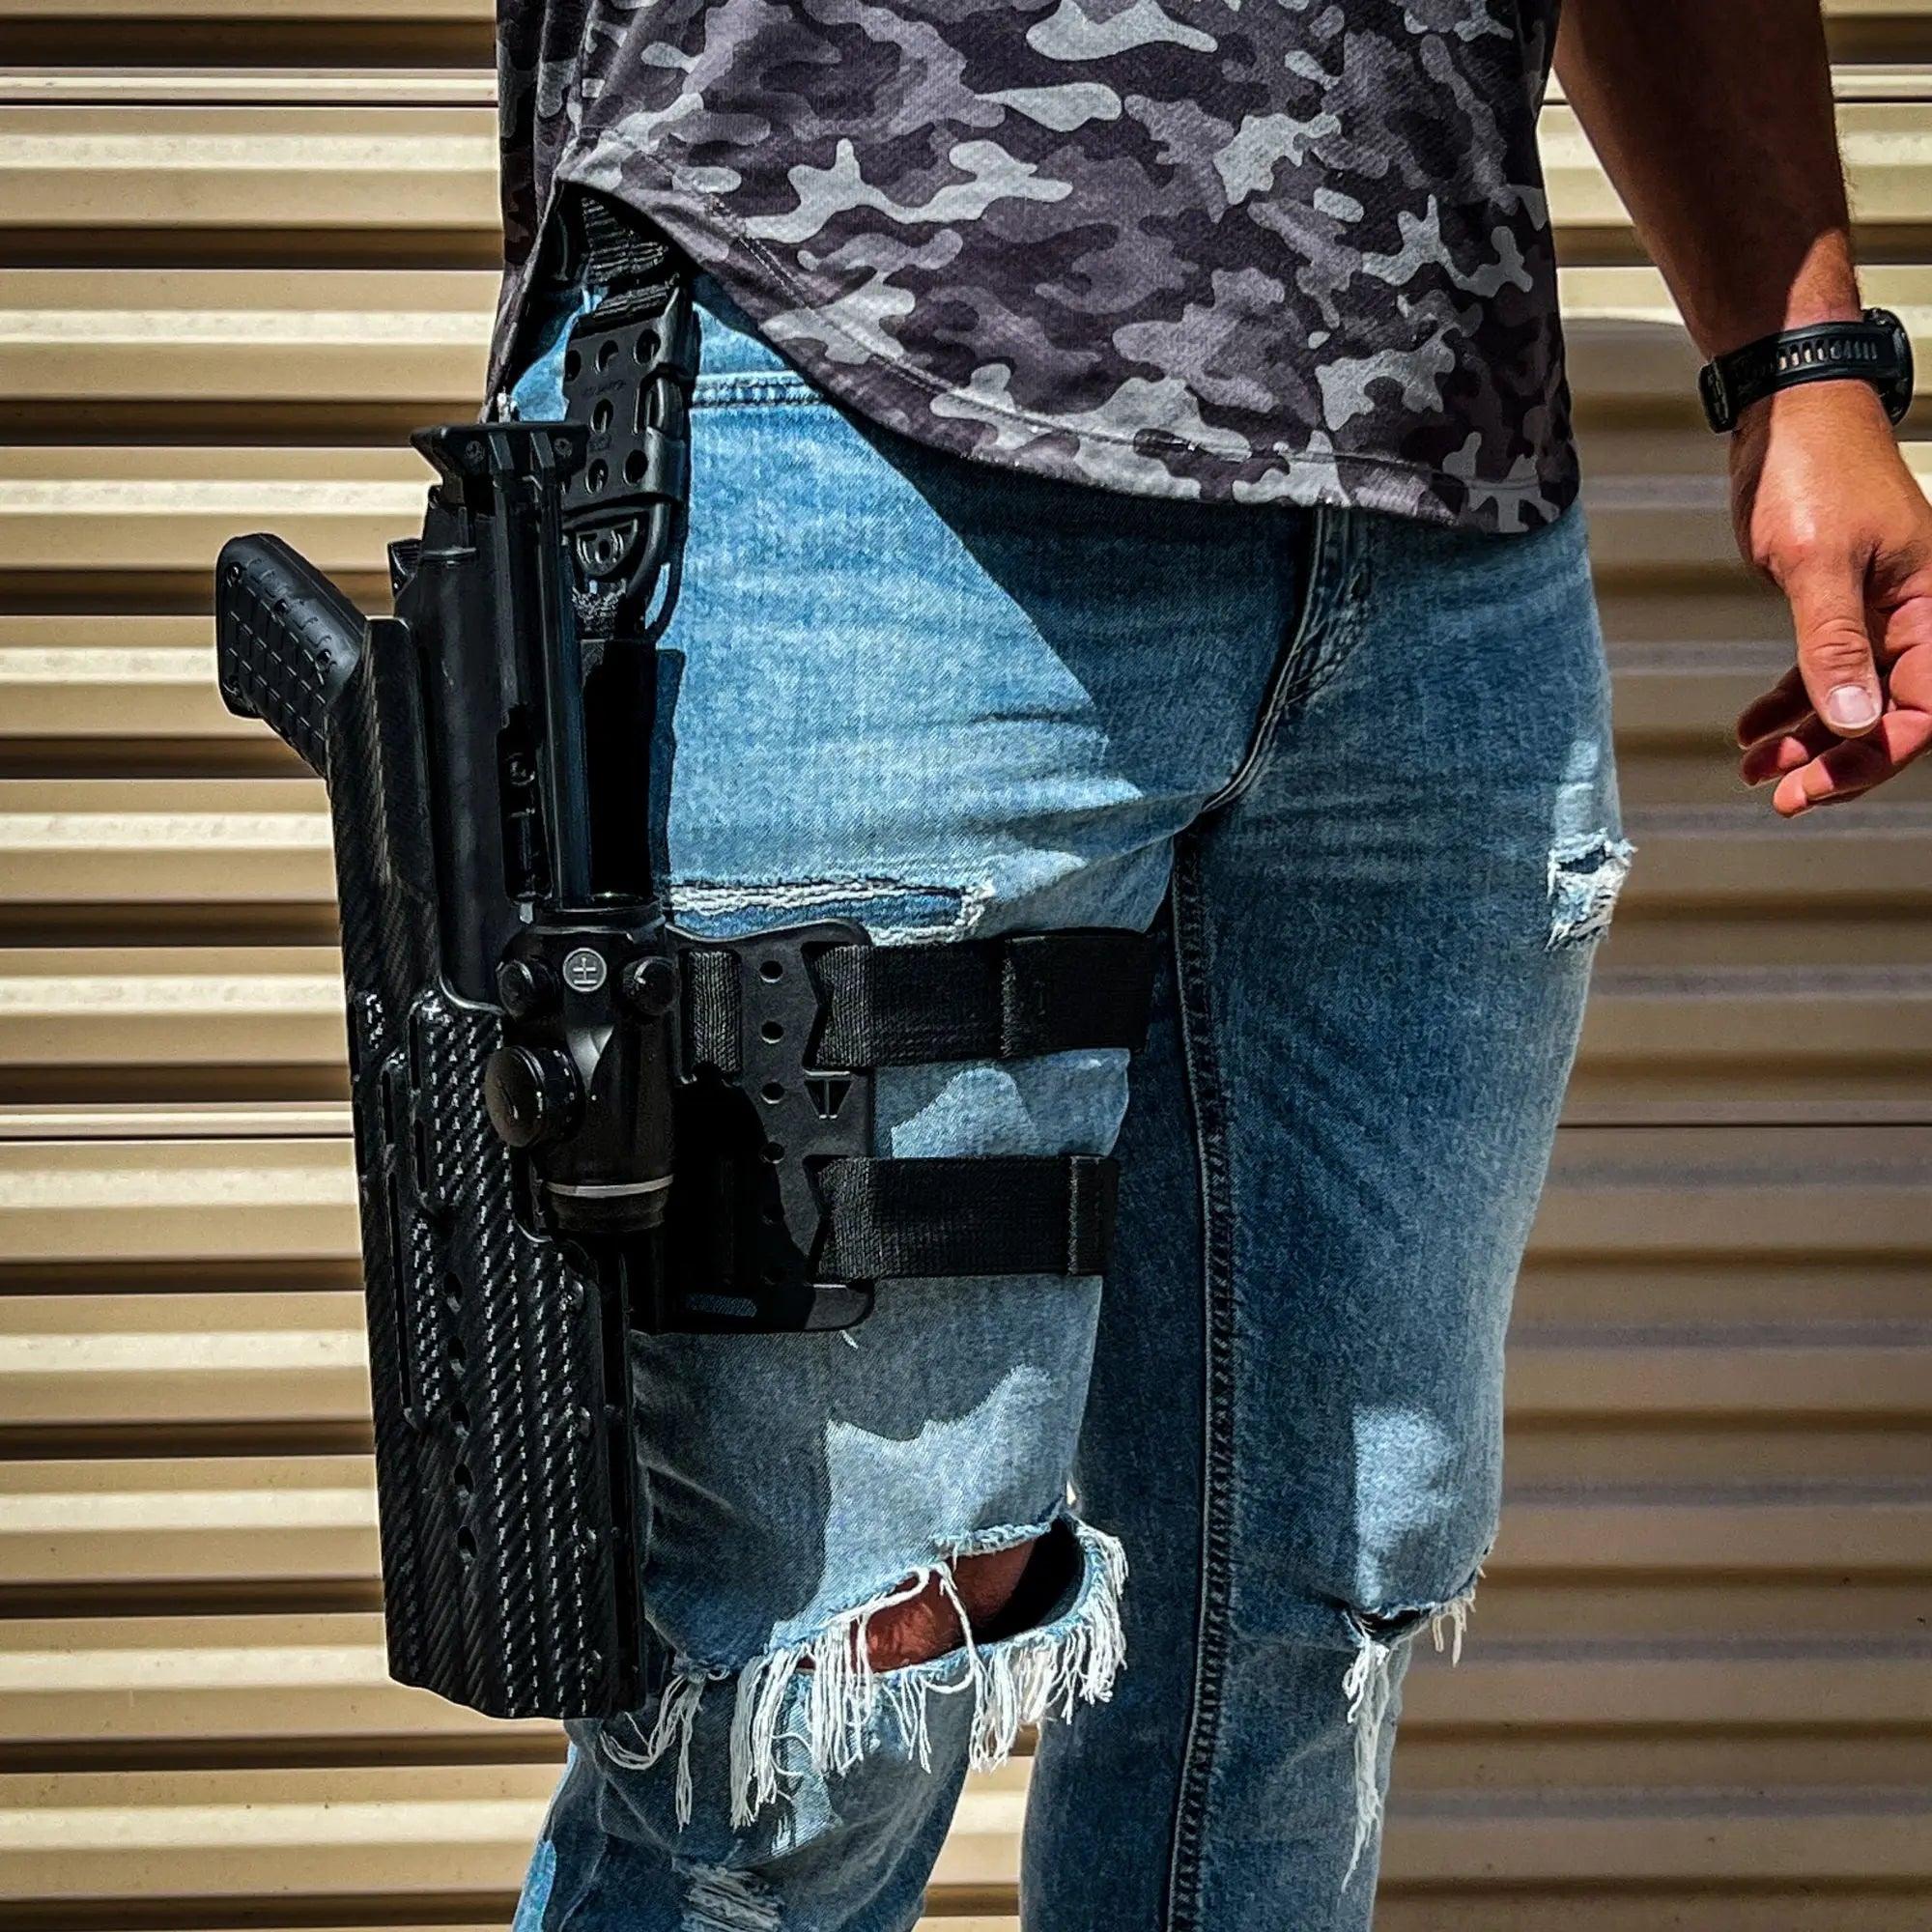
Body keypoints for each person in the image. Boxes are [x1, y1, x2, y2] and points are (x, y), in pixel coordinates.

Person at [490, 4, 1932, 1926]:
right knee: (829, 1696)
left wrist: (1802, 357)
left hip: (1435, 473)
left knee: (1302, 1630)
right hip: (844, 378)